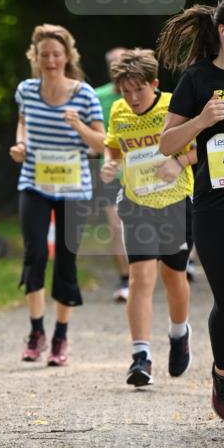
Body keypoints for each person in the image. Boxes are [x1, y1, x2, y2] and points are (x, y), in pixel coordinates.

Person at [157, 0, 224, 433]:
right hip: (215, 207)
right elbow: (165, 144)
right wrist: (200, 120)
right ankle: (223, 374)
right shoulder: (197, 79)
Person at [9, 23, 105, 366]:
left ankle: (61, 336)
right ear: (34, 57)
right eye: (43, 55)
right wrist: (20, 143)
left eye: (56, 54)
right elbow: (24, 122)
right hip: (34, 182)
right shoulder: (27, 90)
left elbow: (101, 144)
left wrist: (78, 125)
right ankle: (36, 332)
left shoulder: (84, 95)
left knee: (66, 259)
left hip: (73, 189)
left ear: (67, 57)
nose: (49, 60)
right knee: (35, 254)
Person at [101, 49, 195, 387]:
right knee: (140, 279)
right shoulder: (118, 110)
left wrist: (178, 163)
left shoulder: (175, 104)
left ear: (154, 84)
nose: (132, 97)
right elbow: (114, 147)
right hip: (136, 202)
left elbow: (199, 147)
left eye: (138, 90)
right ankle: (140, 357)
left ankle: (178, 333)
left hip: (174, 202)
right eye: (125, 91)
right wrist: (112, 163)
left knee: (173, 277)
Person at [94, 47, 130, 301]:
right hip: (109, 171)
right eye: (113, 64)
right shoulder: (98, 97)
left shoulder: (144, 93)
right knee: (115, 226)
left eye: (122, 62)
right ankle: (125, 280)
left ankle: (145, 274)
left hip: (142, 171)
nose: (117, 67)